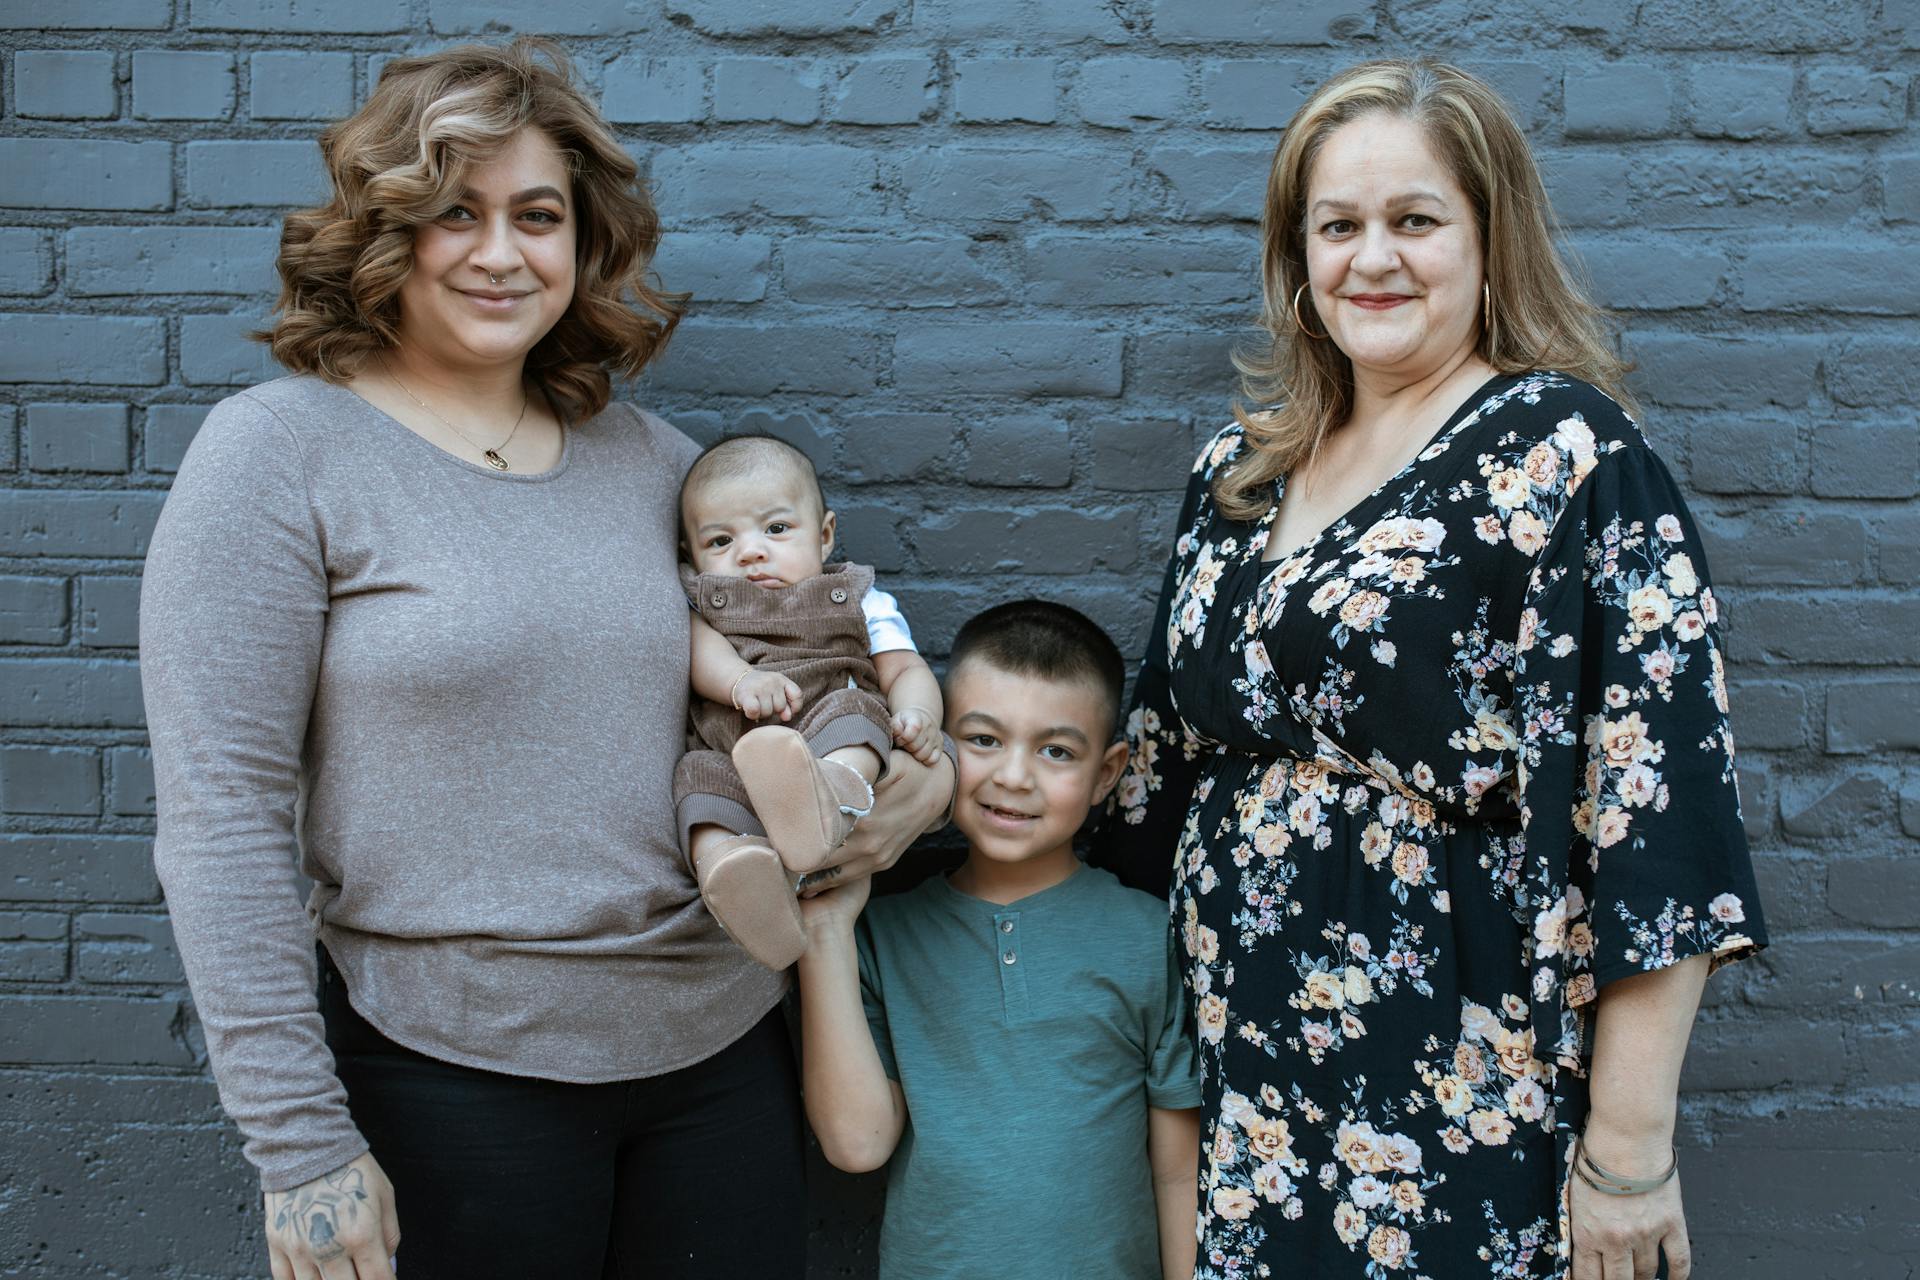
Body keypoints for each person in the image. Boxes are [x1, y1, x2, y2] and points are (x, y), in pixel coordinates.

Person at [138, 39, 952, 1280]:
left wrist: (911, 789)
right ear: (384, 228)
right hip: (449, 1076)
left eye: (538, 214)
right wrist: (298, 1142)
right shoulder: (277, 454)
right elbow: (221, 811)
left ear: (586, 240)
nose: (502, 251)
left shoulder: (658, 466)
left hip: (719, 1057)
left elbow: (821, 658)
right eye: (453, 211)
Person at [1090, 60, 1766, 1280]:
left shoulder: (1566, 457)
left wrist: (1629, 1150)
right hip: (1243, 1070)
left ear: (1489, 234)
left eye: (1415, 221)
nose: (1373, 258)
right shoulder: (1238, 473)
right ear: (1297, 255)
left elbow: (1661, 820)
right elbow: (1158, 768)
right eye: (1337, 226)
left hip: (1455, 1071)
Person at [799, 600, 1204, 1280]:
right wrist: (825, 929)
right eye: (984, 740)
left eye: (1055, 751)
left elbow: (1177, 1173)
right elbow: (858, 1144)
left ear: (1107, 774)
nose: (1014, 777)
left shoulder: (1147, 937)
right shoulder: (884, 935)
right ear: (936, 745)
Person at [674, 434, 944, 969]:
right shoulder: (702, 603)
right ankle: (734, 873)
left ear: (824, 536)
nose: (750, 552)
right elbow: (700, 651)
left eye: (776, 529)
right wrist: (739, 681)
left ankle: (828, 793)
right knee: (696, 777)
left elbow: (905, 667)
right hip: (734, 749)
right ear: (692, 555)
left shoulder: (859, 598)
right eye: (721, 541)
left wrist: (921, 715)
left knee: (862, 712)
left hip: (825, 723)